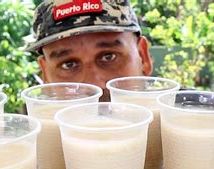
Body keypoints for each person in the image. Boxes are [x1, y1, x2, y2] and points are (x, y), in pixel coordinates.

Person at [25, 0, 153, 101]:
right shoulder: (30, 134)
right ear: (46, 75)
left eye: (109, 56)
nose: (94, 86)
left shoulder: (171, 128)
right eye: (68, 65)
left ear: (143, 57)